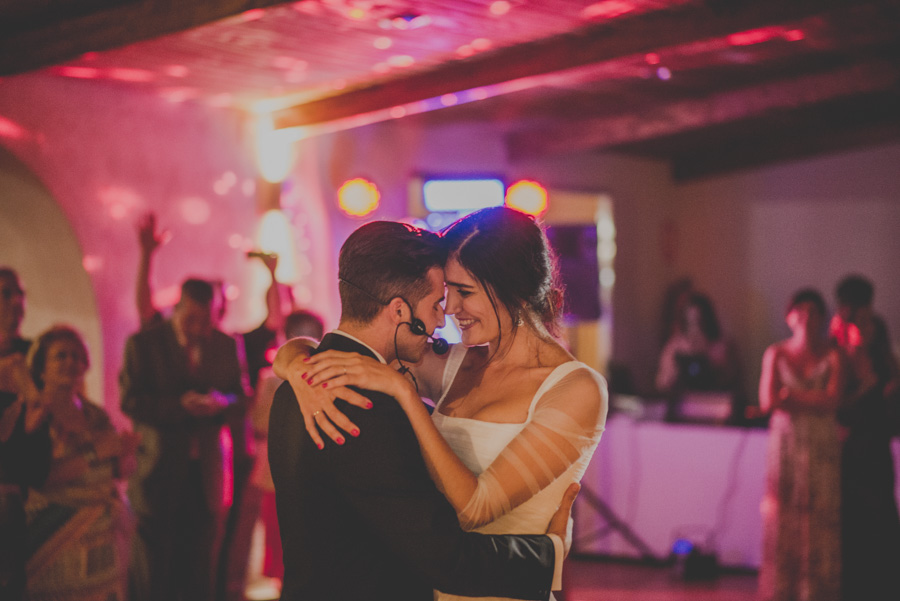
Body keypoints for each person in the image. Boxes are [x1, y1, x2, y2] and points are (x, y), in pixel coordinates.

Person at [275, 208, 607, 600]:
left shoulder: (576, 388)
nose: (449, 310)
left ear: (511, 288)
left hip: (500, 588)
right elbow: (356, 345)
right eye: (447, 293)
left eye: (463, 292)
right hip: (441, 582)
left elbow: (475, 507)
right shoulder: (452, 362)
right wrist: (296, 364)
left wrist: (405, 395)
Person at [120, 278, 245, 601]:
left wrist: (222, 402)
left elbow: (240, 397)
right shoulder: (143, 343)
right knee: (154, 571)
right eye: (193, 320)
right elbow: (130, 401)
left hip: (206, 473)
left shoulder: (225, 343)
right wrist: (179, 406)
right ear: (177, 309)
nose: (201, 328)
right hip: (158, 471)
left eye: (208, 320)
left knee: (200, 569)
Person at [23, 325, 137, 601]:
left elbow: (119, 471)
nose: (70, 362)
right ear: (41, 369)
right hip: (54, 536)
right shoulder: (34, 414)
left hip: (101, 538)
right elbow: (40, 475)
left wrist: (127, 452)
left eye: (76, 356)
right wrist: (94, 453)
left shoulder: (94, 414)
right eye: (60, 356)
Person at [757, 289, 843, 601]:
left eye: (814, 310)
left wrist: (791, 399)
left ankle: (817, 590)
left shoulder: (833, 355)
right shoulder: (776, 353)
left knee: (819, 516)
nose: (806, 317)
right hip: (787, 444)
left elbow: (834, 399)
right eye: (800, 310)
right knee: (784, 513)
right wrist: (812, 401)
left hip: (820, 445)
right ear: (789, 316)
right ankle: (784, 589)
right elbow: (767, 401)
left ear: (823, 317)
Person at [829, 275, 900, 601]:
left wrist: (878, 379)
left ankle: (882, 586)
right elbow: (837, 396)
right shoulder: (836, 337)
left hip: (875, 435)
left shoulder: (877, 331)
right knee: (852, 512)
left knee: (879, 509)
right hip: (851, 436)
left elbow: (889, 378)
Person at [0, 268, 51, 601]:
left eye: (18, 294)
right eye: (5, 293)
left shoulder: (34, 355)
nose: (14, 301)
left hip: (27, 482)